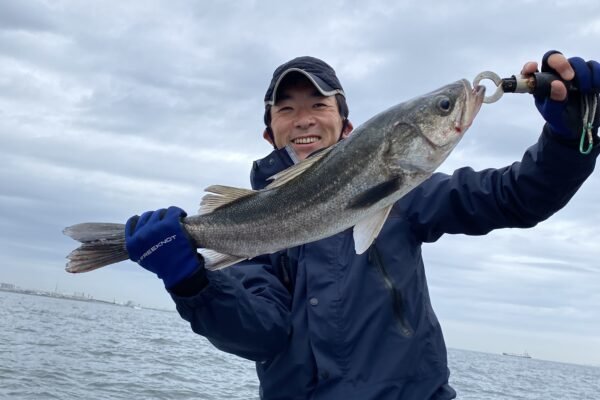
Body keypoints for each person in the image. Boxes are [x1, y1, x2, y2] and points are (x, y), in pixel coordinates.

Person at [124, 51, 600, 399]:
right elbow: (260, 335)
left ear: (347, 126)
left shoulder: (407, 192)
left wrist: (568, 136)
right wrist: (192, 282)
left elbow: (513, 197)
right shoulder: (257, 223)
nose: (303, 119)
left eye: (319, 105)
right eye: (286, 109)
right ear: (269, 132)